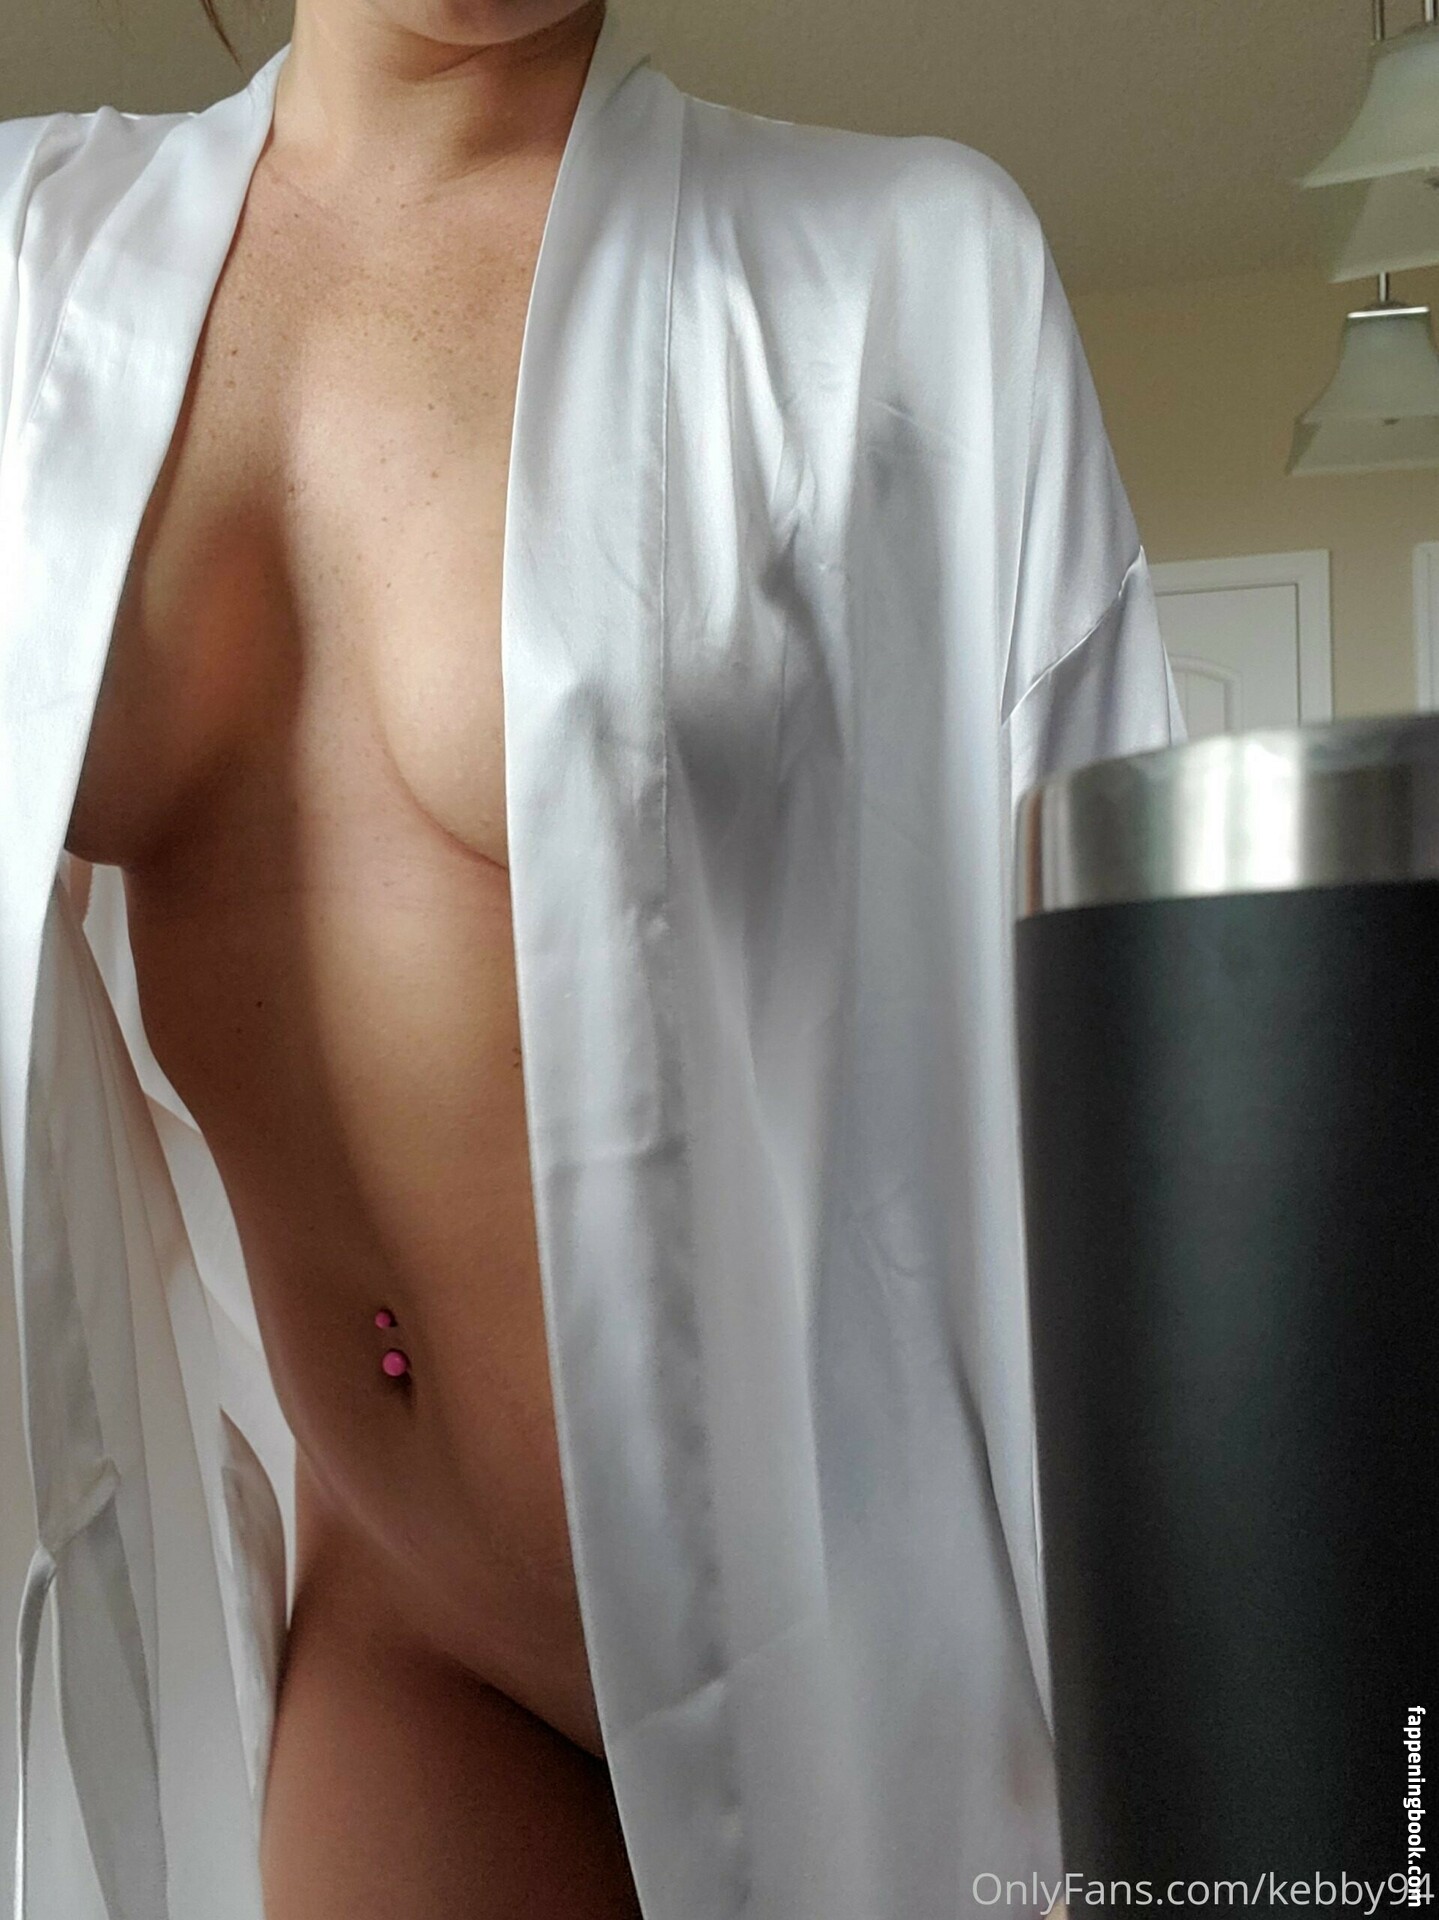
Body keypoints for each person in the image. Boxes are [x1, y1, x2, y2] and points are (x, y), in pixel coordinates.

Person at [0, 2, 1186, 1915]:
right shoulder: (30, 273)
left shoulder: (904, 280)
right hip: (410, 1644)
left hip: (842, 1666)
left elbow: (1130, 1100)